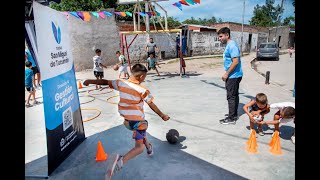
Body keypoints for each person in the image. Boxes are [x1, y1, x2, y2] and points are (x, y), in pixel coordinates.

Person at [83, 64, 170, 177]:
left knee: (142, 133)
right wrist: (162, 115)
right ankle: (121, 161)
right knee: (139, 147)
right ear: (141, 77)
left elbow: (105, 82)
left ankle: (149, 148)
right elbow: (151, 104)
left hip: (127, 122)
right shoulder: (142, 89)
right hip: (138, 122)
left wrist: (89, 81)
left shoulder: (121, 83)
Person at [218, 27, 243, 125]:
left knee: (231, 97)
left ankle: (232, 118)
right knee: (234, 95)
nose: (219, 38)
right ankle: (234, 115)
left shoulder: (232, 45)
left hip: (233, 75)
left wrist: (226, 73)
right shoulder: (229, 45)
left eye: (221, 36)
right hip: (235, 75)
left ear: (227, 35)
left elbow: (235, 61)